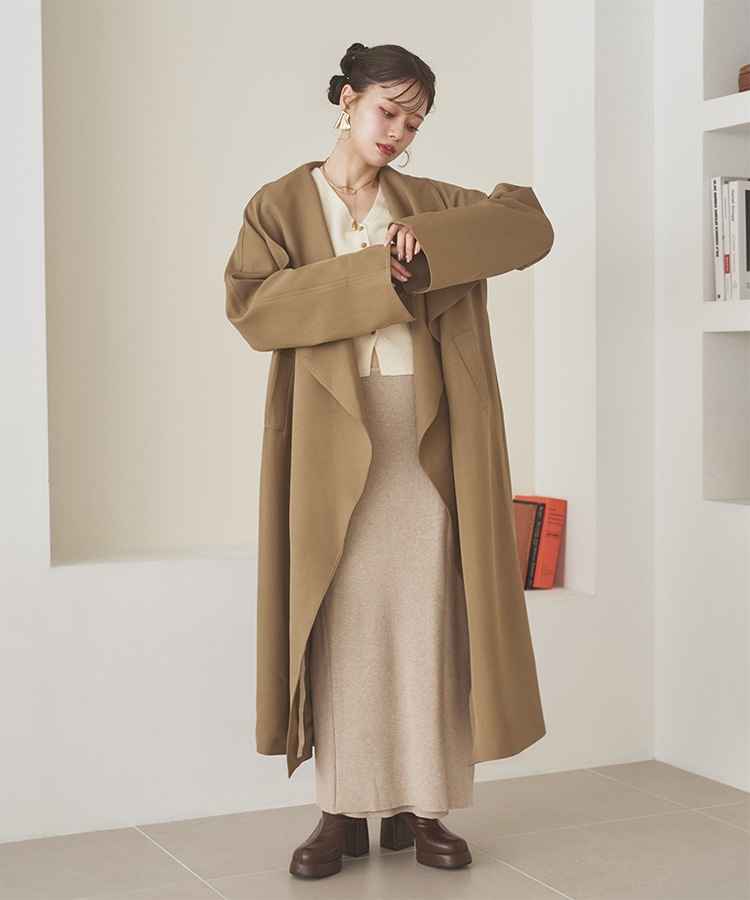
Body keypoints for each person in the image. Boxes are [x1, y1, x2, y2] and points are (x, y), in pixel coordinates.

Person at [224, 42, 554, 880]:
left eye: (414, 122)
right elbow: (254, 307)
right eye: (388, 111)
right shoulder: (279, 204)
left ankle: (422, 805)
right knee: (340, 617)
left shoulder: (428, 201)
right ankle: (341, 807)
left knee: (427, 615)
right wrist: (375, 274)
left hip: (427, 431)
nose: (399, 133)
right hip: (331, 433)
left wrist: (431, 240)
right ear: (346, 100)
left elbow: (529, 225)